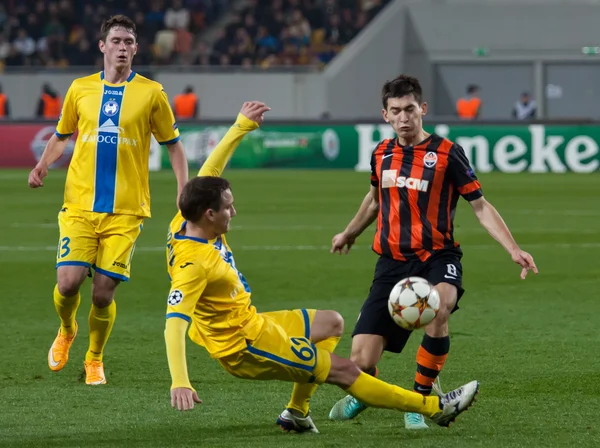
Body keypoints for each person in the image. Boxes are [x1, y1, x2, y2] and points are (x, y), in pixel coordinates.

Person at [163, 101, 479, 433]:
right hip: (244, 345)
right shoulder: (194, 265)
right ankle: (434, 407)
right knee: (345, 371)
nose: (234, 212)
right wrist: (180, 381)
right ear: (209, 215)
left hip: (251, 321)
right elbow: (174, 324)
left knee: (331, 323)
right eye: (228, 208)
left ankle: (296, 412)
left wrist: (241, 125)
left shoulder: (185, 218)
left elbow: (210, 170)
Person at [327, 74, 537, 429]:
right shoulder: (382, 153)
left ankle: (420, 399)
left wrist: (513, 248)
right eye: (396, 111)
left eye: (410, 109)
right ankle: (368, 391)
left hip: (438, 257)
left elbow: (480, 205)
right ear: (386, 115)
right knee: (360, 362)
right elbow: (376, 200)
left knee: (439, 308)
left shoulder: (447, 153)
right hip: (392, 261)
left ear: (422, 109)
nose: (404, 117)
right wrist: (349, 233)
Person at [27, 15, 189, 385]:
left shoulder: (152, 93)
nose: (122, 47)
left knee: (102, 293)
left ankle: (94, 358)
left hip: (126, 210)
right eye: (116, 40)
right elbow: (62, 134)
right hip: (80, 205)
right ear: (102, 46)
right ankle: (67, 329)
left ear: (136, 49)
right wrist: (43, 164)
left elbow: (174, 147)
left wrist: (184, 188)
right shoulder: (80, 89)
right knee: (67, 283)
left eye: (129, 42)